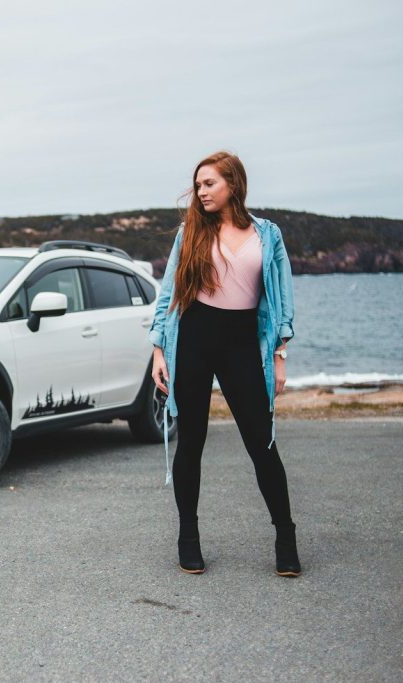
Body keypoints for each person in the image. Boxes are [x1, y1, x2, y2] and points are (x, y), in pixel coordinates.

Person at [148, 151, 301, 578]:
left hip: (242, 344)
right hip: (194, 338)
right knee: (191, 442)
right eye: (198, 185)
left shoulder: (268, 235)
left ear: (233, 183)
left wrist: (279, 355)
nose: (201, 191)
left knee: (262, 443)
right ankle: (188, 538)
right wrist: (159, 350)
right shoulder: (191, 232)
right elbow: (169, 293)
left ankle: (285, 538)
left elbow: (281, 300)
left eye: (209, 183)